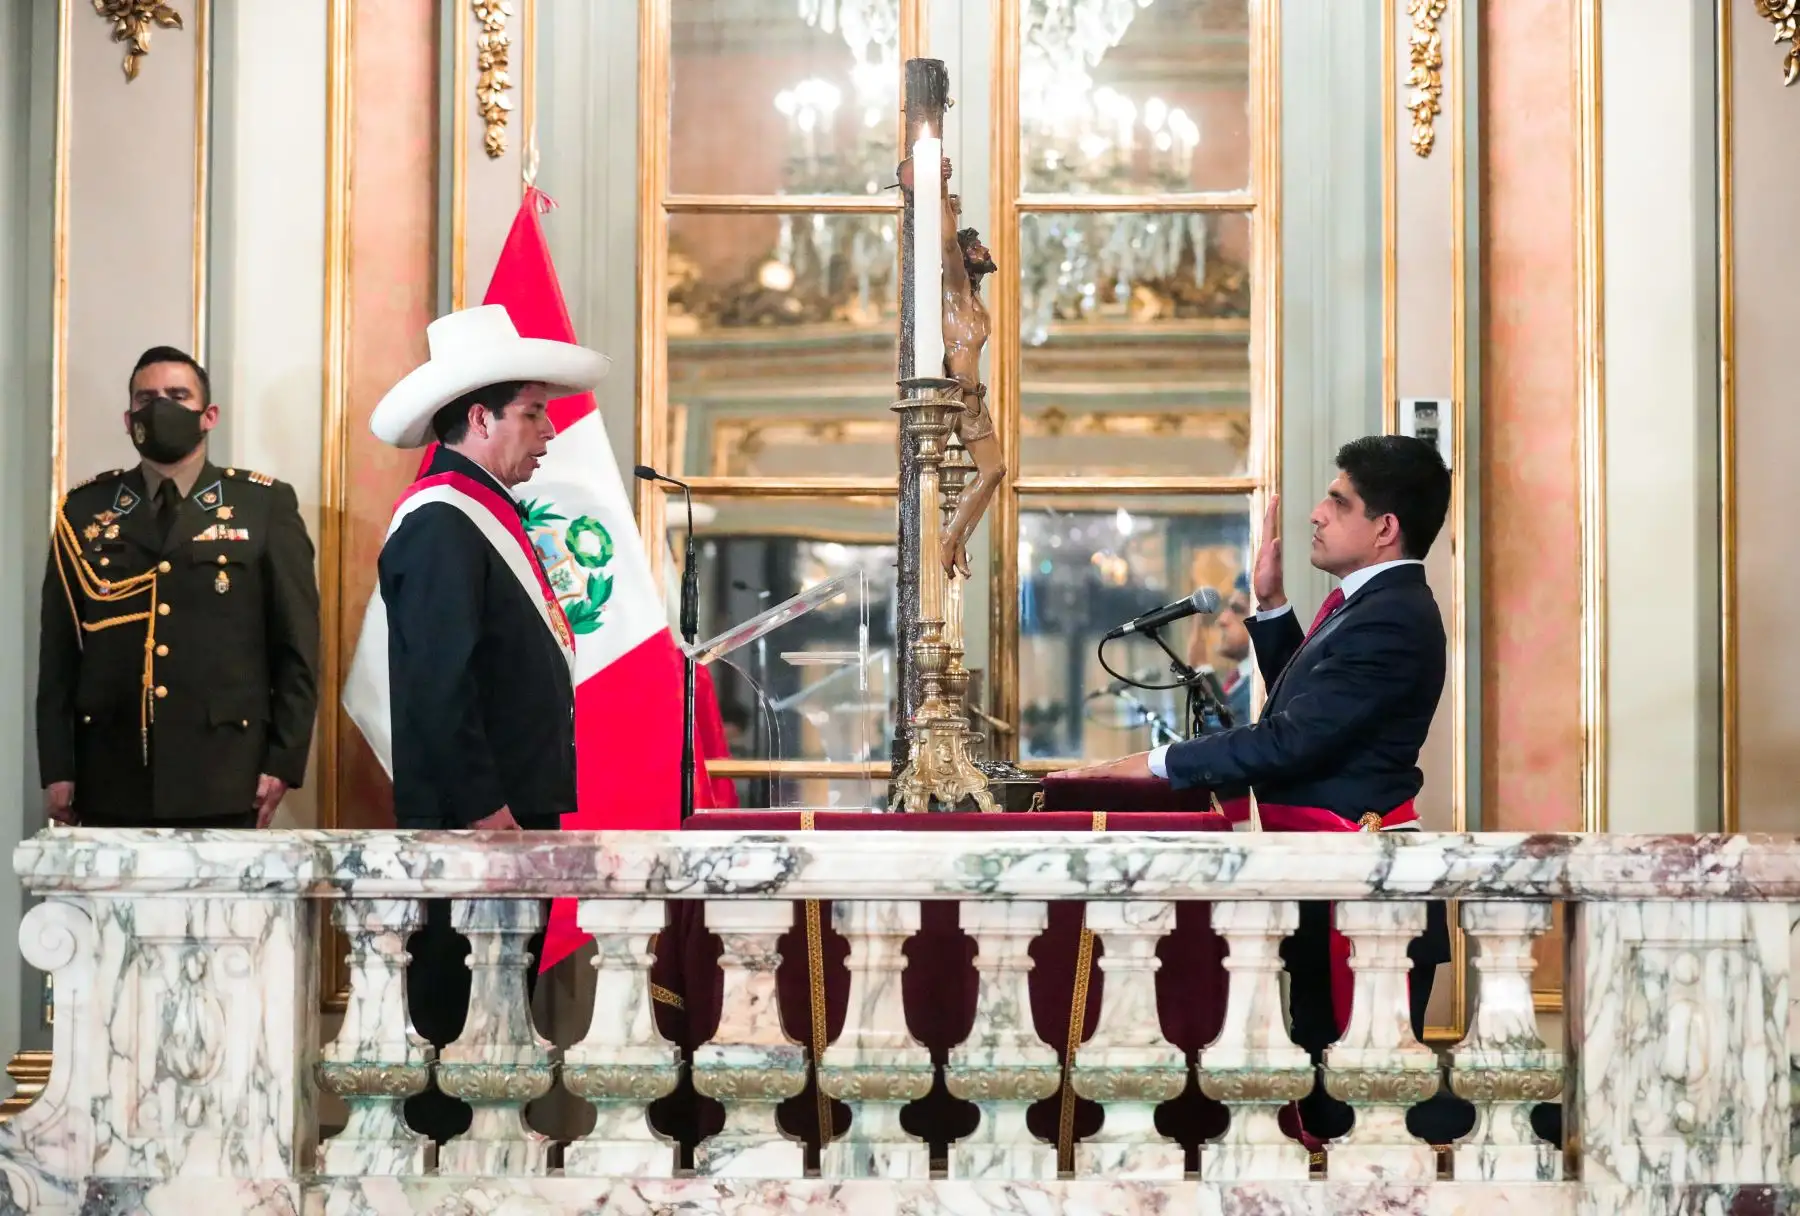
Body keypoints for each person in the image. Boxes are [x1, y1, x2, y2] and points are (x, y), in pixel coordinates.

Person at [1060, 434, 1456, 1142]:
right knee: (1323, 1093)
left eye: (1339, 501)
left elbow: (1293, 742)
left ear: (1385, 528)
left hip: (1359, 895)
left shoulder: (1392, 615)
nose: (1317, 513)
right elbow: (1309, 708)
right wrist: (1269, 607)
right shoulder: (1368, 604)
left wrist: (1155, 764)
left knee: (1359, 1115)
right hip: (1325, 877)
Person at [347, 303, 608, 1143]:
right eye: (533, 413)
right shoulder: (441, 522)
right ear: (480, 417)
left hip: (505, 818)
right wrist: (480, 807)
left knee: (494, 1023)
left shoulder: (478, 511)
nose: (547, 432)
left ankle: (480, 1168)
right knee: (456, 1021)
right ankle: (442, 1172)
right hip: (477, 827)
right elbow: (434, 686)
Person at [36, 345, 319, 829]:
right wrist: (58, 767)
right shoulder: (84, 512)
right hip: (110, 773)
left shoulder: (261, 506)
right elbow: (60, 652)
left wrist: (284, 761)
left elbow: (297, 646)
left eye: (177, 395)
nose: (160, 408)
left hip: (227, 772)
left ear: (208, 415)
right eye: (146, 399)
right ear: (128, 420)